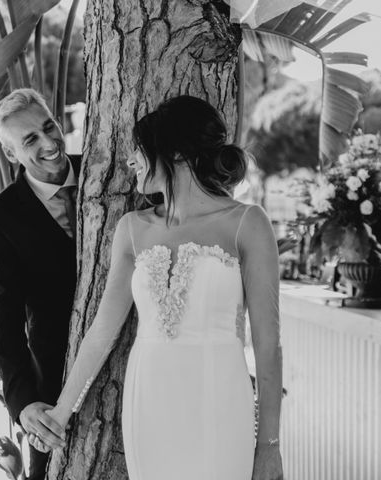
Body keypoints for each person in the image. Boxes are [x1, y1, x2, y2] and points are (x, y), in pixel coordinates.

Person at [44, 95, 284, 479]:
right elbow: (102, 333)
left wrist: (269, 445)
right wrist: (60, 412)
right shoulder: (132, 230)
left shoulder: (247, 223)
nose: (131, 160)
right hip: (149, 403)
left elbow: (269, 345)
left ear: (174, 152)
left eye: (138, 149)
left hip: (219, 400)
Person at [0, 88, 78, 480]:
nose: (49, 143)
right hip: (54, 380)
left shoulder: (108, 174)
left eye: (48, 126)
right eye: (30, 139)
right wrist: (23, 403)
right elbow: (5, 316)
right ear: (10, 153)